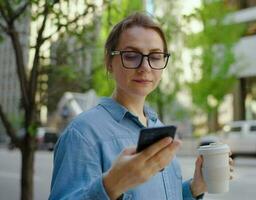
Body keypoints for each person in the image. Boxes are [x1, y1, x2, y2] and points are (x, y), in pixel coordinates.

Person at [49, 12, 233, 200]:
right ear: (109, 62)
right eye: (131, 55)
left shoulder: (159, 128)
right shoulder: (83, 134)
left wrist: (195, 187)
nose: (145, 66)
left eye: (155, 56)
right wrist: (111, 186)